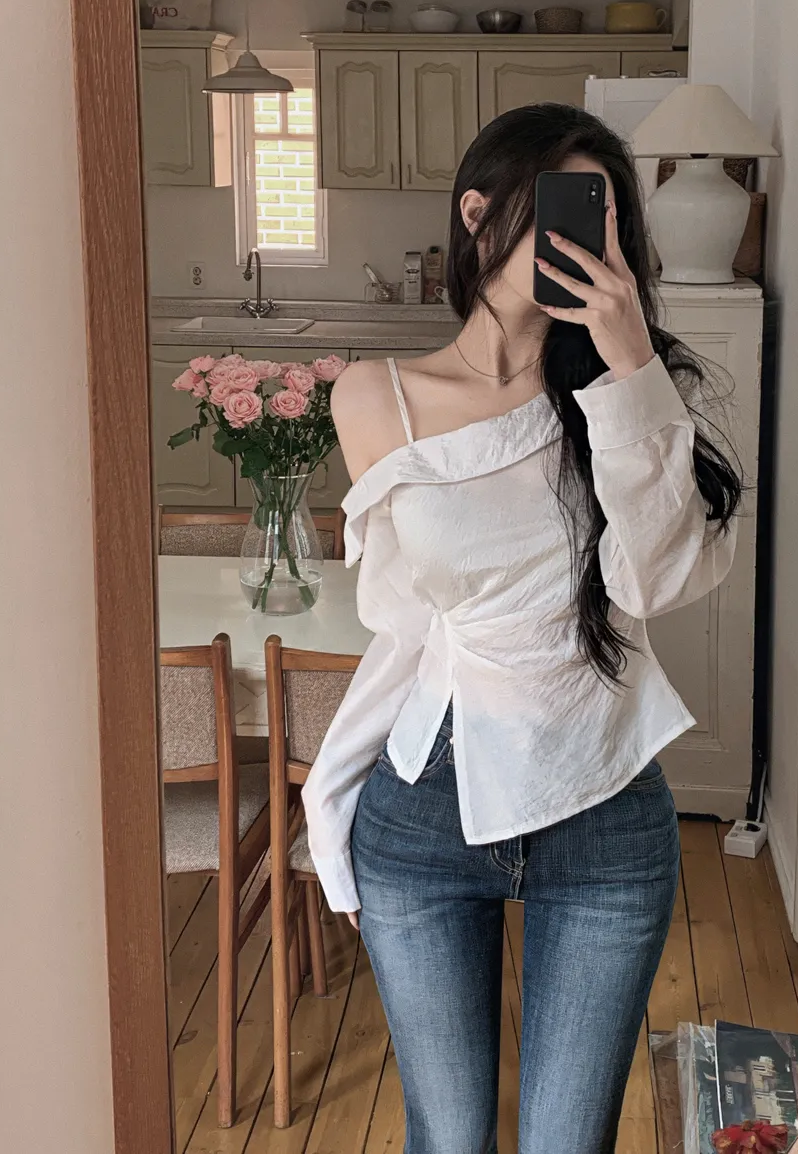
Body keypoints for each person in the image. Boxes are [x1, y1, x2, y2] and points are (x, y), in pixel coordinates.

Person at [302, 102, 742, 1154]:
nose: (580, 243)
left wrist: (630, 371)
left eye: (601, 223)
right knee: (448, 1136)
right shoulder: (375, 398)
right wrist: (328, 793)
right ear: (478, 213)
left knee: (564, 1141)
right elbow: (411, 627)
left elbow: (651, 580)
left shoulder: (629, 394)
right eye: (559, 210)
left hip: (604, 811)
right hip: (425, 808)